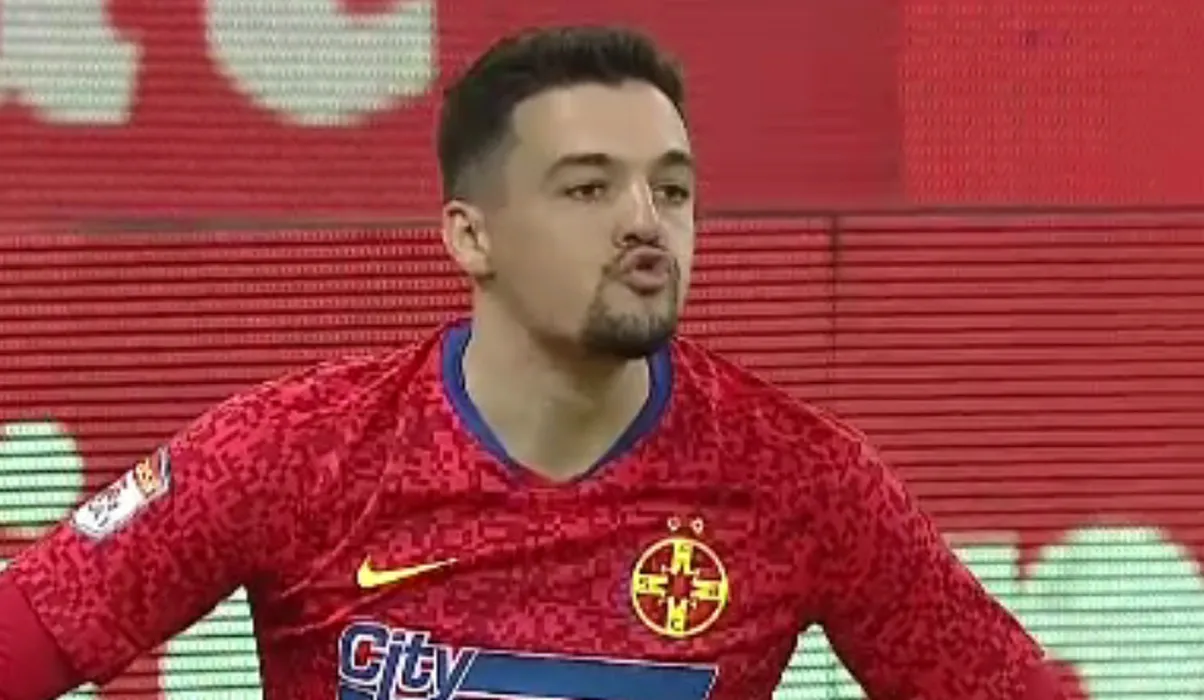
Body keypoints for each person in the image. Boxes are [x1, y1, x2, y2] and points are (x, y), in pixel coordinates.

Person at [0, 25, 1064, 700]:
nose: (646, 221)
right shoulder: (296, 450)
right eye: (589, 187)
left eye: (673, 188)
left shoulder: (799, 478)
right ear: (472, 237)